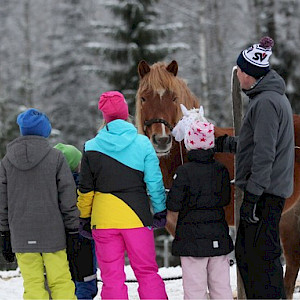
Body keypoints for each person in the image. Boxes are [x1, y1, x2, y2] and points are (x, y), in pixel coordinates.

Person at [215, 36, 294, 299]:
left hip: (266, 191)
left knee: (259, 256)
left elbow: (264, 153)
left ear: (250, 73)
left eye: (240, 69)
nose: (237, 74)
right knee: (251, 254)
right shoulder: (264, 99)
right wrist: (226, 144)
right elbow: (256, 142)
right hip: (266, 189)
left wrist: (253, 196)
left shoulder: (266, 103)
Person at [77, 91, 168, 300]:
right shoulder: (143, 143)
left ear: (105, 117)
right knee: (147, 272)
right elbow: (154, 182)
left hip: (104, 220)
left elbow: (86, 190)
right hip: (137, 217)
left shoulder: (91, 147)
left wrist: (83, 217)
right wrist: (160, 209)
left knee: (112, 278)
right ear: (126, 114)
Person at [0, 108, 79, 300]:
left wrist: (4, 233)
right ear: (45, 130)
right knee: (60, 281)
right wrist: (73, 228)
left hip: (21, 233)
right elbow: (67, 197)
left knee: (32, 283)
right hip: (53, 233)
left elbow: (3, 202)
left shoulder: (6, 162)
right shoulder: (56, 158)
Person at [166, 118, 234, 300]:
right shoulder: (221, 170)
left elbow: (173, 204)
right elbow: (226, 198)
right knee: (221, 289)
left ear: (189, 143)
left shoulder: (183, 172)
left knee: (194, 291)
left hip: (191, 242)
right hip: (218, 238)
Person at [54, 143, 98, 300]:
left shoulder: (51, 188)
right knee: (85, 280)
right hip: (83, 239)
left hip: (57, 242)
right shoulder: (84, 185)